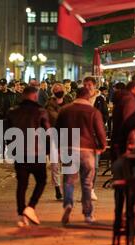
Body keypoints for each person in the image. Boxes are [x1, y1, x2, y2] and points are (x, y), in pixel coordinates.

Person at [57, 87, 107, 225]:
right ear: (88, 97)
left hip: (68, 148)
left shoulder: (65, 110)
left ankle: (68, 204)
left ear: (76, 96)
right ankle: (88, 214)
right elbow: (100, 130)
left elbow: (56, 130)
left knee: (68, 180)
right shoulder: (93, 112)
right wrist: (102, 145)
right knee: (86, 183)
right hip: (87, 149)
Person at [6, 86, 50, 227]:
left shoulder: (13, 112)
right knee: (41, 180)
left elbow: (7, 134)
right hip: (37, 153)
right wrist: (48, 150)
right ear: (35, 96)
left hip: (20, 153)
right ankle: (31, 206)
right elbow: (47, 133)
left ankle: (21, 212)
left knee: (22, 184)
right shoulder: (40, 112)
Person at [83, 76, 110, 201]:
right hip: (83, 136)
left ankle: (91, 189)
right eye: (85, 85)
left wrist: (97, 123)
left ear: (94, 86)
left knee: (94, 164)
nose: (87, 87)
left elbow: (105, 115)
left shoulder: (100, 99)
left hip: (96, 136)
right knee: (83, 165)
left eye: (90, 85)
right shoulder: (81, 99)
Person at [45, 83, 67, 200]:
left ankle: (67, 187)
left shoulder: (69, 102)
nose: (59, 91)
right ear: (53, 92)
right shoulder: (49, 104)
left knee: (68, 164)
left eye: (60, 89)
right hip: (53, 136)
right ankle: (57, 188)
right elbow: (54, 117)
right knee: (55, 165)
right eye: (56, 89)